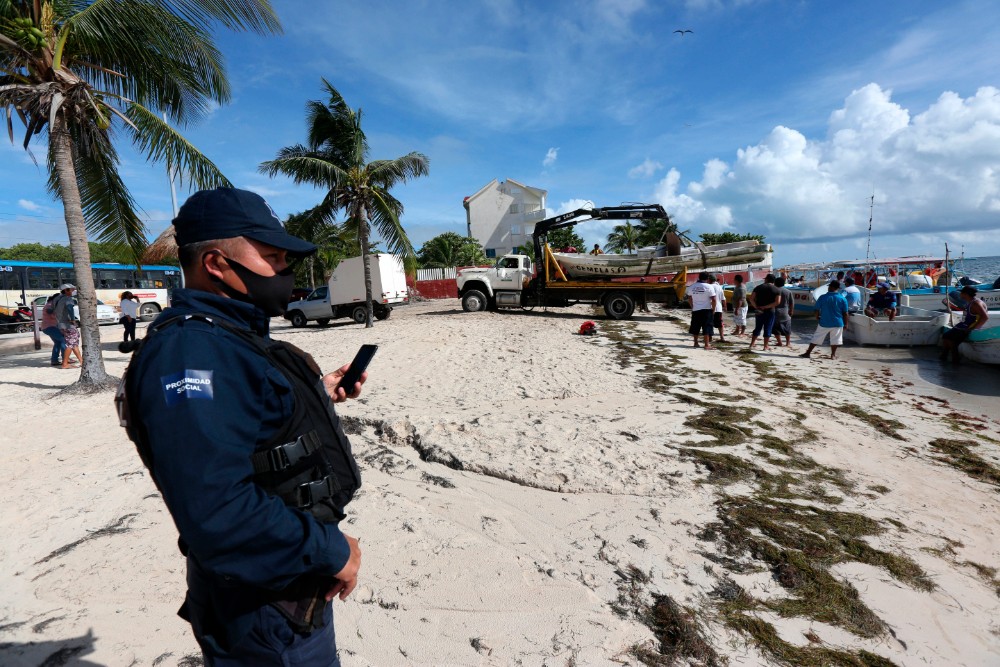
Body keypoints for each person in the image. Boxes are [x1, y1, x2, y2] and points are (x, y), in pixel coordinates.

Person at [119, 188, 365, 666]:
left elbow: (253, 424)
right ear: (215, 263)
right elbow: (216, 509)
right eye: (271, 256)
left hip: (290, 586)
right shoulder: (191, 353)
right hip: (262, 606)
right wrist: (331, 550)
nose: (284, 270)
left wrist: (318, 393)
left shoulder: (231, 338)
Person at [800, 280, 849, 359]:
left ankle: (808, 353)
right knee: (835, 339)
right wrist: (846, 324)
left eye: (829, 286)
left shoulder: (823, 297)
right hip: (838, 322)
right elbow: (845, 313)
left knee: (816, 337)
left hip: (824, 321)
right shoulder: (842, 299)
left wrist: (817, 317)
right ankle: (833, 355)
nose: (828, 288)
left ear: (832, 287)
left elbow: (816, 309)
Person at [940, 286, 990, 363]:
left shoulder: (976, 304)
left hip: (967, 328)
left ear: (965, 294)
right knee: (946, 336)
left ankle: (955, 359)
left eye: (961, 293)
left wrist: (974, 329)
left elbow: (985, 317)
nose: (960, 294)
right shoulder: (971, 301)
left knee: (952, 341)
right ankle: (944, 356)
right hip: (963, 325)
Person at [747, 274, 782, 351]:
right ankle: (765, 346)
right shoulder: (777, 289)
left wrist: (756, 306)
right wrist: (766, 307)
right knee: (768, 328)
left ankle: (752, 343)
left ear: (766, 279)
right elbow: (777, 302)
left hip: (759, 310)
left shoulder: (758, 287)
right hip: (770, 311)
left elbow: (751, 299)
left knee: (758, 327)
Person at [51, 283, 81, 369]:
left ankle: (81, 361)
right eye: (71, 290)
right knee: (71, 344)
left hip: (60, 325)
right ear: (66, 290)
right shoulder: (68, 299)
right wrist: (72, 319)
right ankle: (65, 364)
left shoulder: (57, 299)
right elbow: (69, 308)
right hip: (68, 324)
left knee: (73, 343)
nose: (73, 291)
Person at [686, 271, 716, 349]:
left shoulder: (692, 286)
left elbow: (689, 297)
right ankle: (706, 344)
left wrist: (692, 306)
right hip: (706, 309)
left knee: (695, 326)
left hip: (696, 309)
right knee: (707, 327)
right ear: (707, 278)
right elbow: (714, 299)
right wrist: (713, 309)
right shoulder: (709, 287)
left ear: (699, 277)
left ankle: (696, 343)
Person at [40, 292, 66, 366]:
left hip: (49, 327)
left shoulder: (52, 304)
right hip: (49, 327)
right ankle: (65, 359)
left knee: (58, 343)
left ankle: (54, 360)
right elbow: (50, 312)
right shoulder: (50, 305)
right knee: (63, 341)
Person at [771, 276, 794, 347]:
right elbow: (791, 303)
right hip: (785, 311)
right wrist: (791, 311)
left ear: (775, 283)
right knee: (787, 328)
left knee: (775, 328)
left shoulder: (773, 291)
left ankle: (780, 342)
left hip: (774, 311)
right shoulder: (788, 292)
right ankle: (788, 343)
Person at [707, 274, 726, 342]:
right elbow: (723, 298)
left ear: (709, 279)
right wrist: (725, 307)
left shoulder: (708, 287)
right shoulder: (719, 287)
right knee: (720, 324)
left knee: (709, 323)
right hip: (718, 308)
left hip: (709, 307)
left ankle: (710, 337)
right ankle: (722, 337)